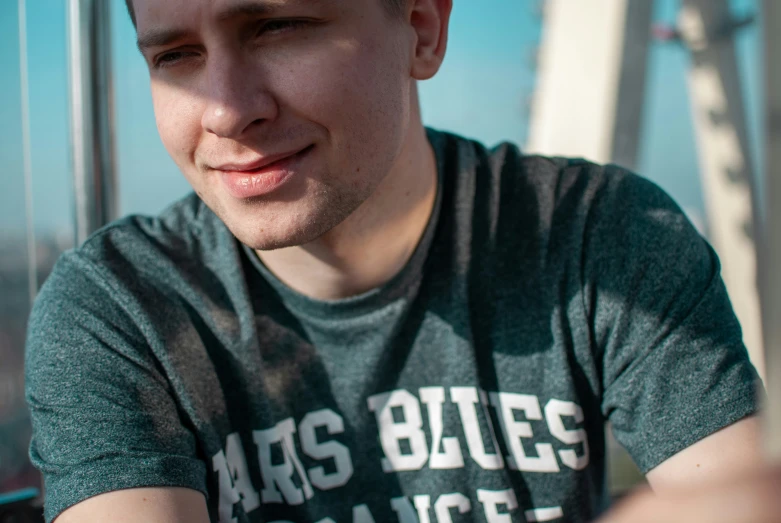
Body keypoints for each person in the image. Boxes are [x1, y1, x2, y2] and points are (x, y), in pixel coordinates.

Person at [23, 0, 770, 522]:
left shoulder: (598, 234)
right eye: (175, 55)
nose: (225, 109)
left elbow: (746, 496)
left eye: (277, 25)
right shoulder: (120, 307)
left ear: (420, 27)